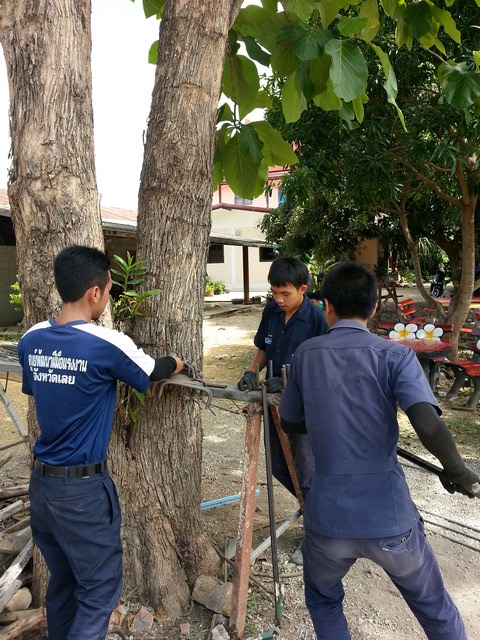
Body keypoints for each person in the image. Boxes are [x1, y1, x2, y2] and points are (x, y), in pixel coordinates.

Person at [279, 260, 480, 639]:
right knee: (436, 611)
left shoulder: (305, 354)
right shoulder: (396, 356)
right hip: (390, 520)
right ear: (373, 308)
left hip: (328, 522)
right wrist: (458, 471)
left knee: (323, 600)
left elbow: (290, 421)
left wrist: (326, 424)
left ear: (326, 307)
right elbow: (428, 423)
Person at [17, 245, 183, 640]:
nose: (107, 297)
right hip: (82, 493)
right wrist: (177, 363)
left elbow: (39, 387)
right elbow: (152, 370)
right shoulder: (106, 343)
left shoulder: (31, 339)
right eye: (108, 290)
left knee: (63, 582)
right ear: (94, 292)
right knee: (98, 592)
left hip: (42, 488)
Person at [237, 256, 328, 564]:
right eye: (274, 292)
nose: (279, 299)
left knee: (307, 469)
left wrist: (292, 381)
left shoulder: (316, 319)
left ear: (302, 289)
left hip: (305, 409)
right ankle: (315, 510)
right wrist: (252, 371)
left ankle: (318, 537)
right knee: (279, 465)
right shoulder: (271, 312)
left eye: (285, 293)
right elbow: (263, 347)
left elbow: (322, 365)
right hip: (273, 404)